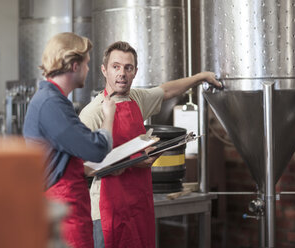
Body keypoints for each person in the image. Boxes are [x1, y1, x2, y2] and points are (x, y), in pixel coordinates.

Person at [79, 41, 221, 248]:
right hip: (107, 210)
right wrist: (135, 161)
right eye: (116, 67)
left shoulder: (136, 98)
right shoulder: (92, 113)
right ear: (104, 70)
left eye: (128, 68)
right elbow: (85, 167)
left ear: (135, 71)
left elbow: (167, 91)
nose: (122, 74)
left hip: (139, 204)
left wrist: (200, 77)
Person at [23, 32, 116, 248]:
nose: (87, 70)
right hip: (63, 210)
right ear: (74, 65)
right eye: (86, 64)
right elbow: (97, 148)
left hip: (68, 205)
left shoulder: (55, 101)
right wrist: (108, 115)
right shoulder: (50, 104)